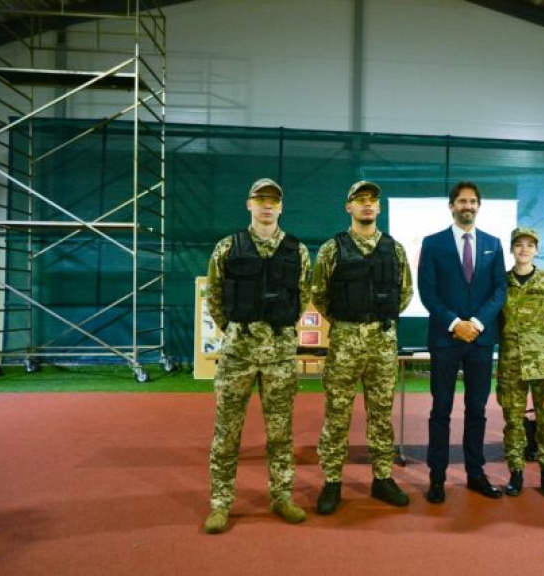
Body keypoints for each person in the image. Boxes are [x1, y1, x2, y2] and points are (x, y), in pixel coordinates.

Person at [203, 178, 312, 533]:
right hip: (238, 353)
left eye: (273, 200)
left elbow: (303, 296)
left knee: (280, 432)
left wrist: (279, 326)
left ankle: (282, 497)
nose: (267, 205)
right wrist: (236, 327)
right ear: (248, 204)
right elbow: (215, 296)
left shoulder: (297, 250)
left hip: (280, 354)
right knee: (227, 432)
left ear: (281, 207)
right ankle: (220, 504)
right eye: (260, 199)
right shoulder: (227, 247)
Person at [312, 180, 413, 515]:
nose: (367, 204)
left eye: (372, 199)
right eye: (360, 199)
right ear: (349, 207)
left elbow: (405, 292)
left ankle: (382, 478)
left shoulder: (395, 249)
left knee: (381, 414)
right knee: (337, 413)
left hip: (382, 341)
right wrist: (348, 320)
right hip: (345, 340)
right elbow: (319, 293)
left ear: (379, 207)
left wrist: (376, 318)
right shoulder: (332, 249)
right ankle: (332, 482)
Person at [418, 181, 507, 504]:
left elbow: (500, 290)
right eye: (462, 201)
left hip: (480, 342)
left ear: (478, 206)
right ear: (451, 206)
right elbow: (427, 291)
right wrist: (456, 324)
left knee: (477, 410)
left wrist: (477, 324)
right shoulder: (433, 243)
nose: (467, 206)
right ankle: (437, 478)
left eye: (472, 201)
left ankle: (475, 473)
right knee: (441, 410)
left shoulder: (494, 244)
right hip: (445, 338)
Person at [497, 227, 544, 498]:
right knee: (513, 420)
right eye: (519, 244)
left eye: (529, 245)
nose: (524, 249)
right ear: (511, 249)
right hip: (512, 361)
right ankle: (516, 473)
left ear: (537, 250)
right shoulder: (501, 282)